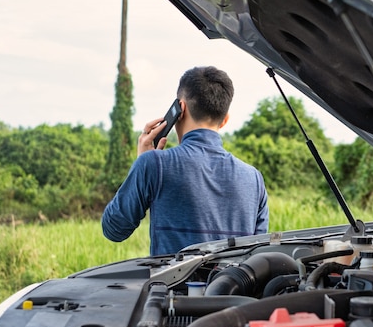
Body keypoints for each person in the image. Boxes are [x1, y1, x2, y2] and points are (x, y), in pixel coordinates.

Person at [102, 66, 269, 255]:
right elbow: (258, 252)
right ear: (224, 120)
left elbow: (113, 229)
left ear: (179, 109)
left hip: (172, 285)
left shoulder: (154, 164)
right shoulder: (254, 179)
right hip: (236, 285)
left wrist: (142, 162)